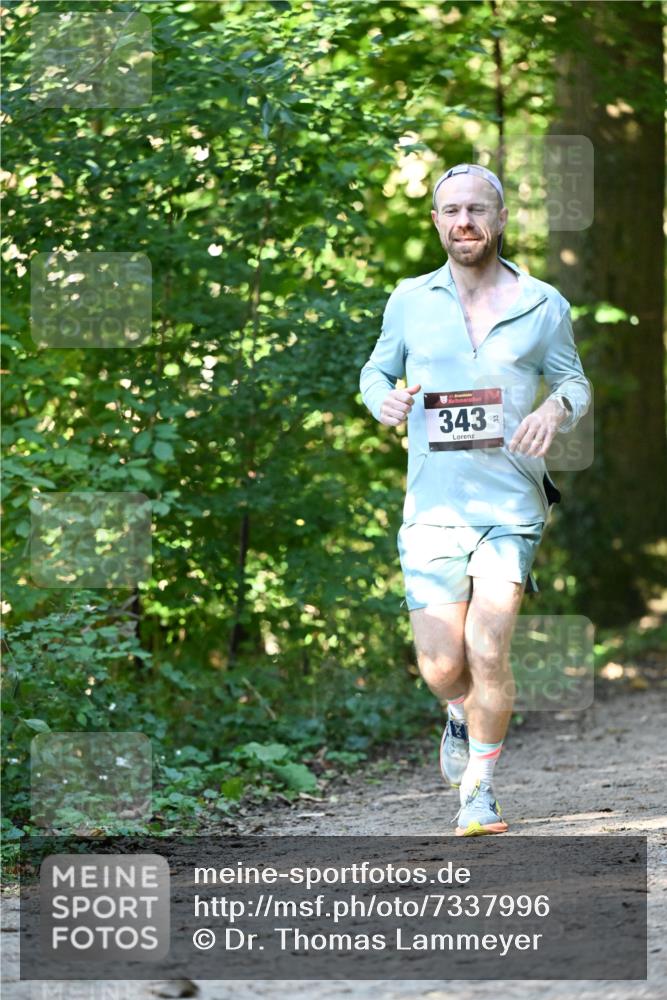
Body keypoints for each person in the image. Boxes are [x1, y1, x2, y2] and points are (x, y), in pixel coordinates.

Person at [359, 163, 591, 836]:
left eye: (476, 210)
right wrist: (384, 399)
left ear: (499, 219)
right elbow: (376, 369)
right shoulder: (408, 299)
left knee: (488, 648)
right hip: (431, 509)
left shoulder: (541, 303)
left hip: (510, 504)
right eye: (450, 210)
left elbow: (574, 384)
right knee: (442, 668)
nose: (463, 221)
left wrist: (556, 410)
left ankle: (479, 792)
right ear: (434, 221)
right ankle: (458, 712)